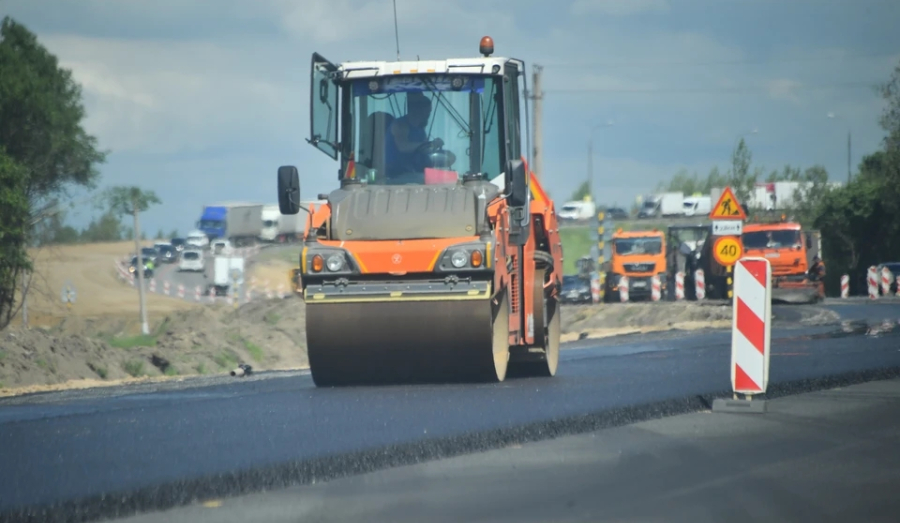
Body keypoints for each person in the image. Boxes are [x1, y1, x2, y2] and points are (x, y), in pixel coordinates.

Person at [385, 91, 443, 176]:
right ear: (415, 110)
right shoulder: (400, 125)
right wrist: (429, 144)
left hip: (414, 172)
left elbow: (423, 151)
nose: (427, 116)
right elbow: (403, 146)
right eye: (426, 114)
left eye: (429, 113)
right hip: (395, 174)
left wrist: (435, 147)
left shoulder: (420, 129)